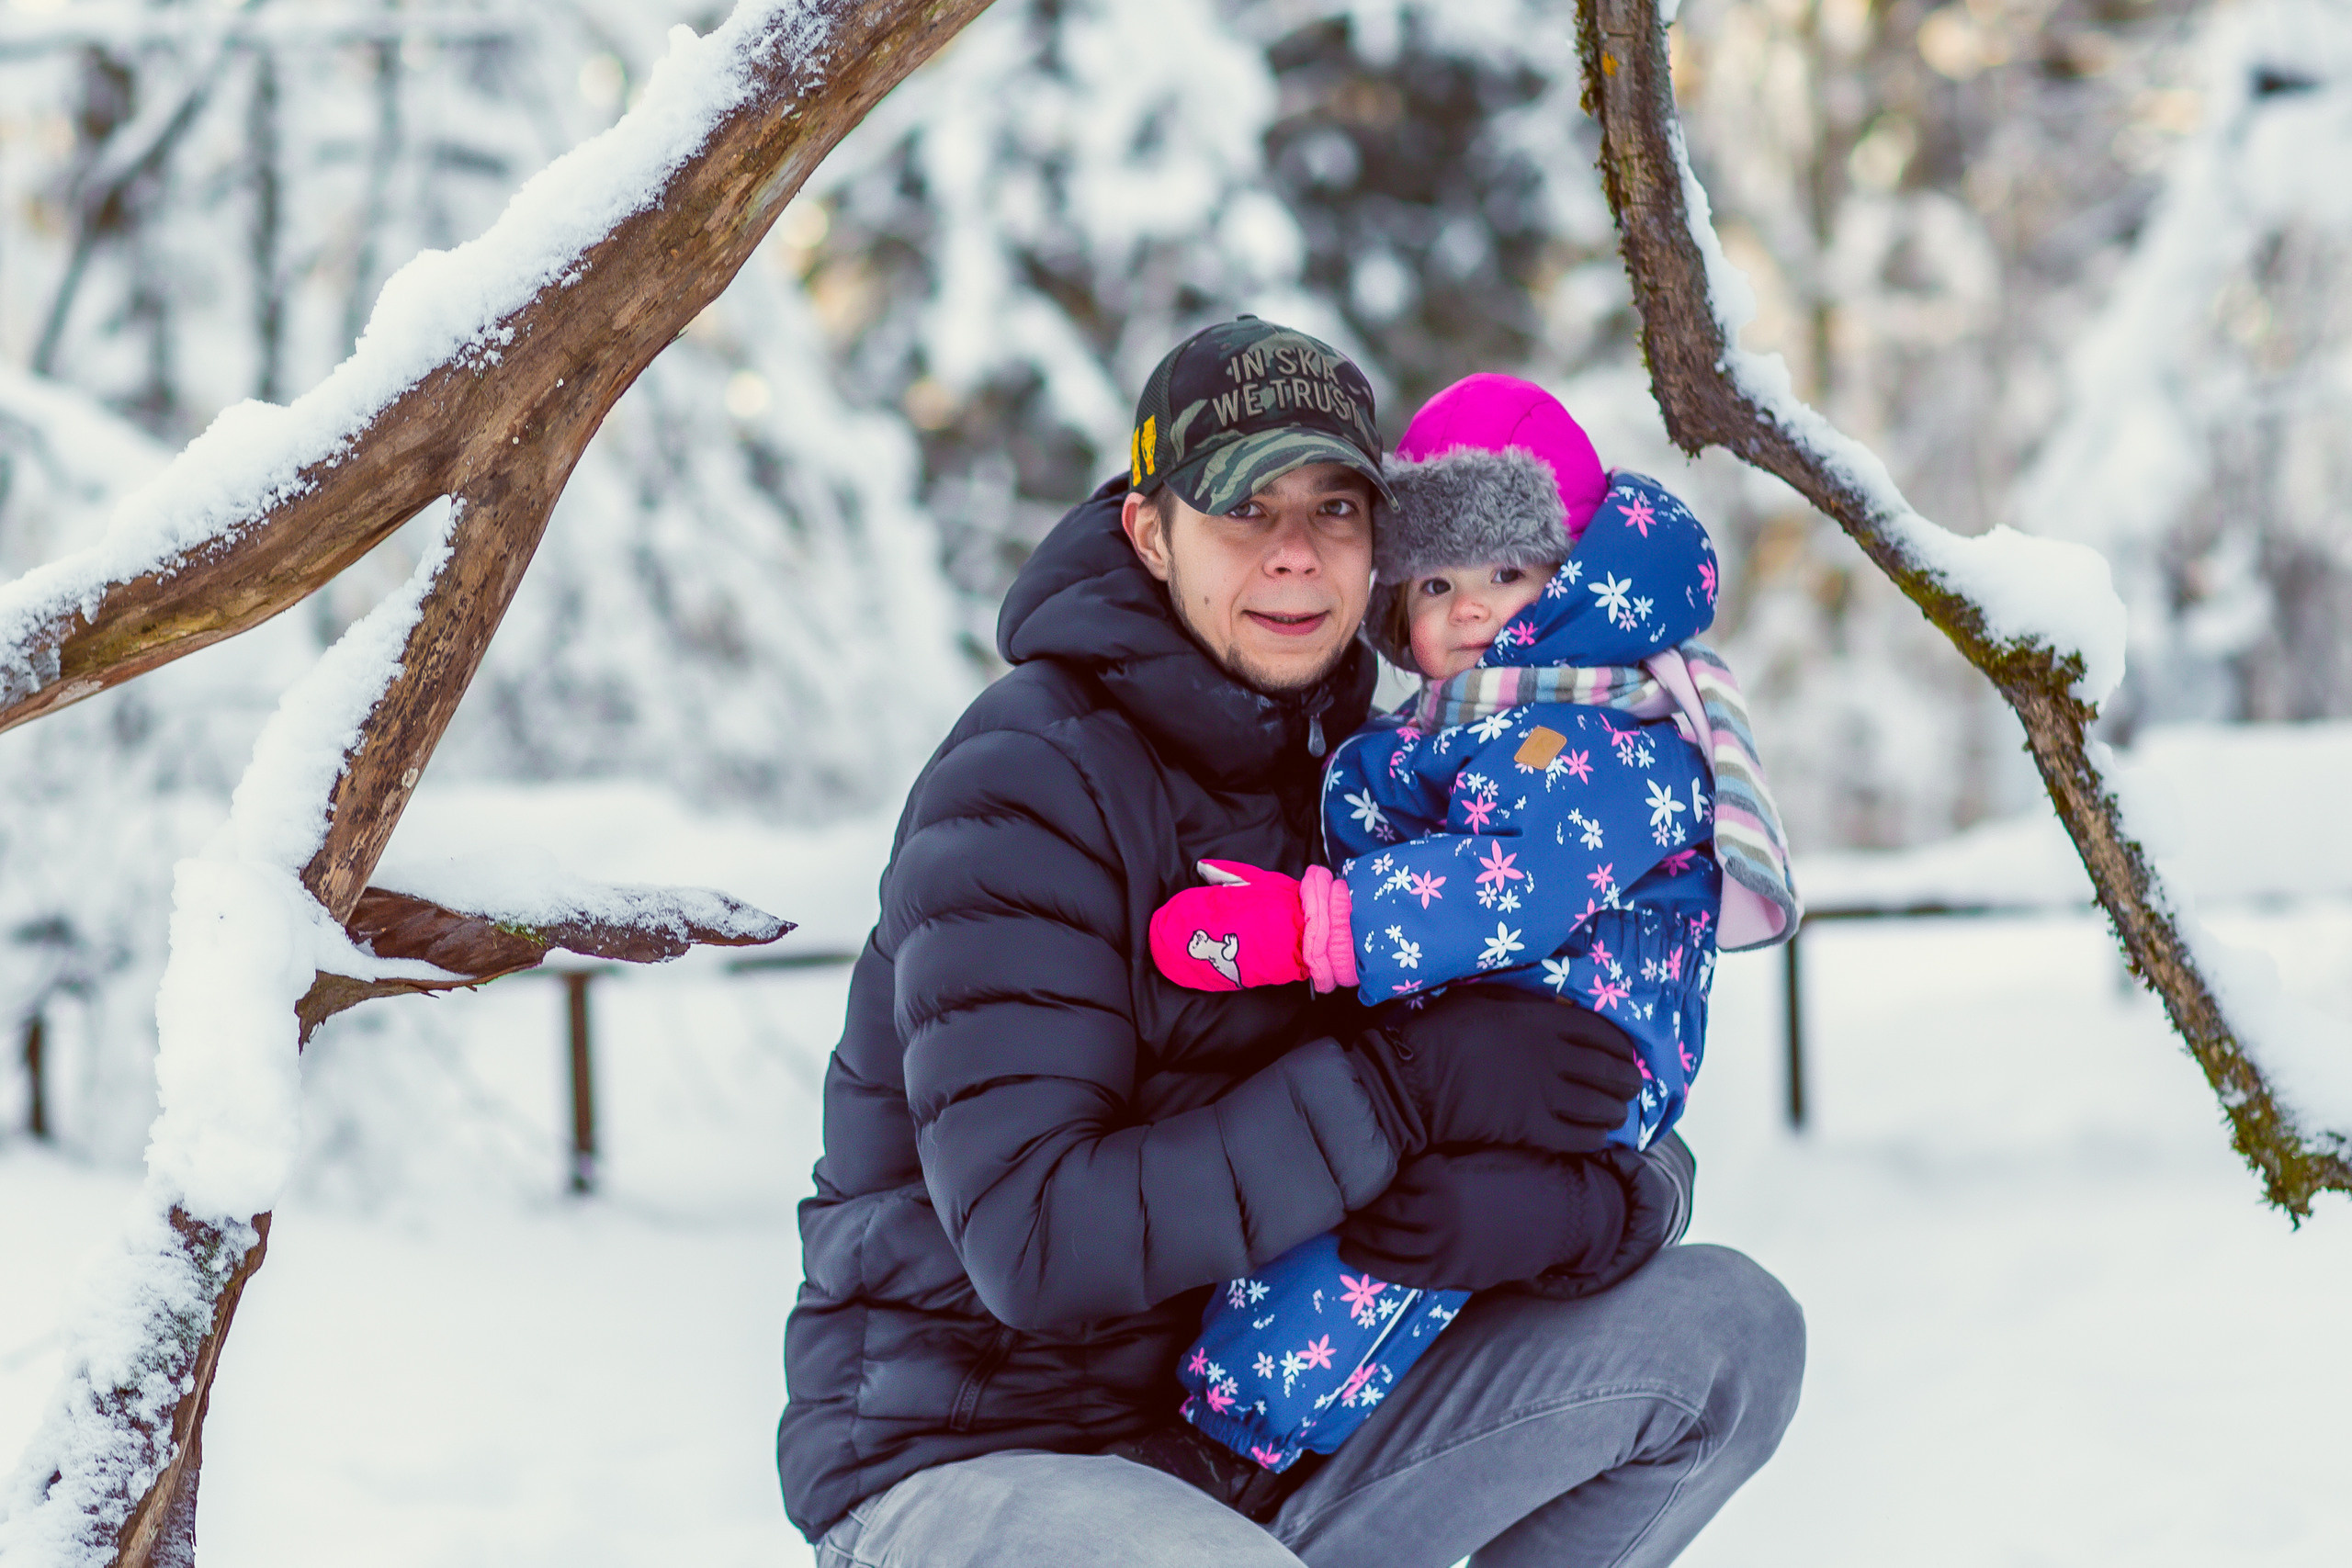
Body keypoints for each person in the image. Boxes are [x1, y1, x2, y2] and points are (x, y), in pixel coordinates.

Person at [777, 319, 1805, 1568]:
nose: (1294, 556)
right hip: (984, 1460)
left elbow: (1584, 1034)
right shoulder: (1028, 780)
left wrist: (1591, 1207)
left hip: (1281, 1444)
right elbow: (1037, 1240)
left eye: (1333, 510)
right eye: (1243, 511)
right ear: (1150, 533)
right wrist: (1403, 1088)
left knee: (1729, 1331)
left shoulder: (1384, 767)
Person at [1148, 374, 1803, 1481]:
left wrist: (1313, 930)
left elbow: (1515, 882)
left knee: (1377, 1252)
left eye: (1507, 572)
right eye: (1436, 581)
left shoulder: (1588, 724)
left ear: (1571, 579)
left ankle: (1233, 1441)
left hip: (1563, 1043)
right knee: (1386, 1234)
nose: (1469, 609)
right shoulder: (1480, 720)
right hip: (1480, 1042)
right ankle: (1274, 1439)